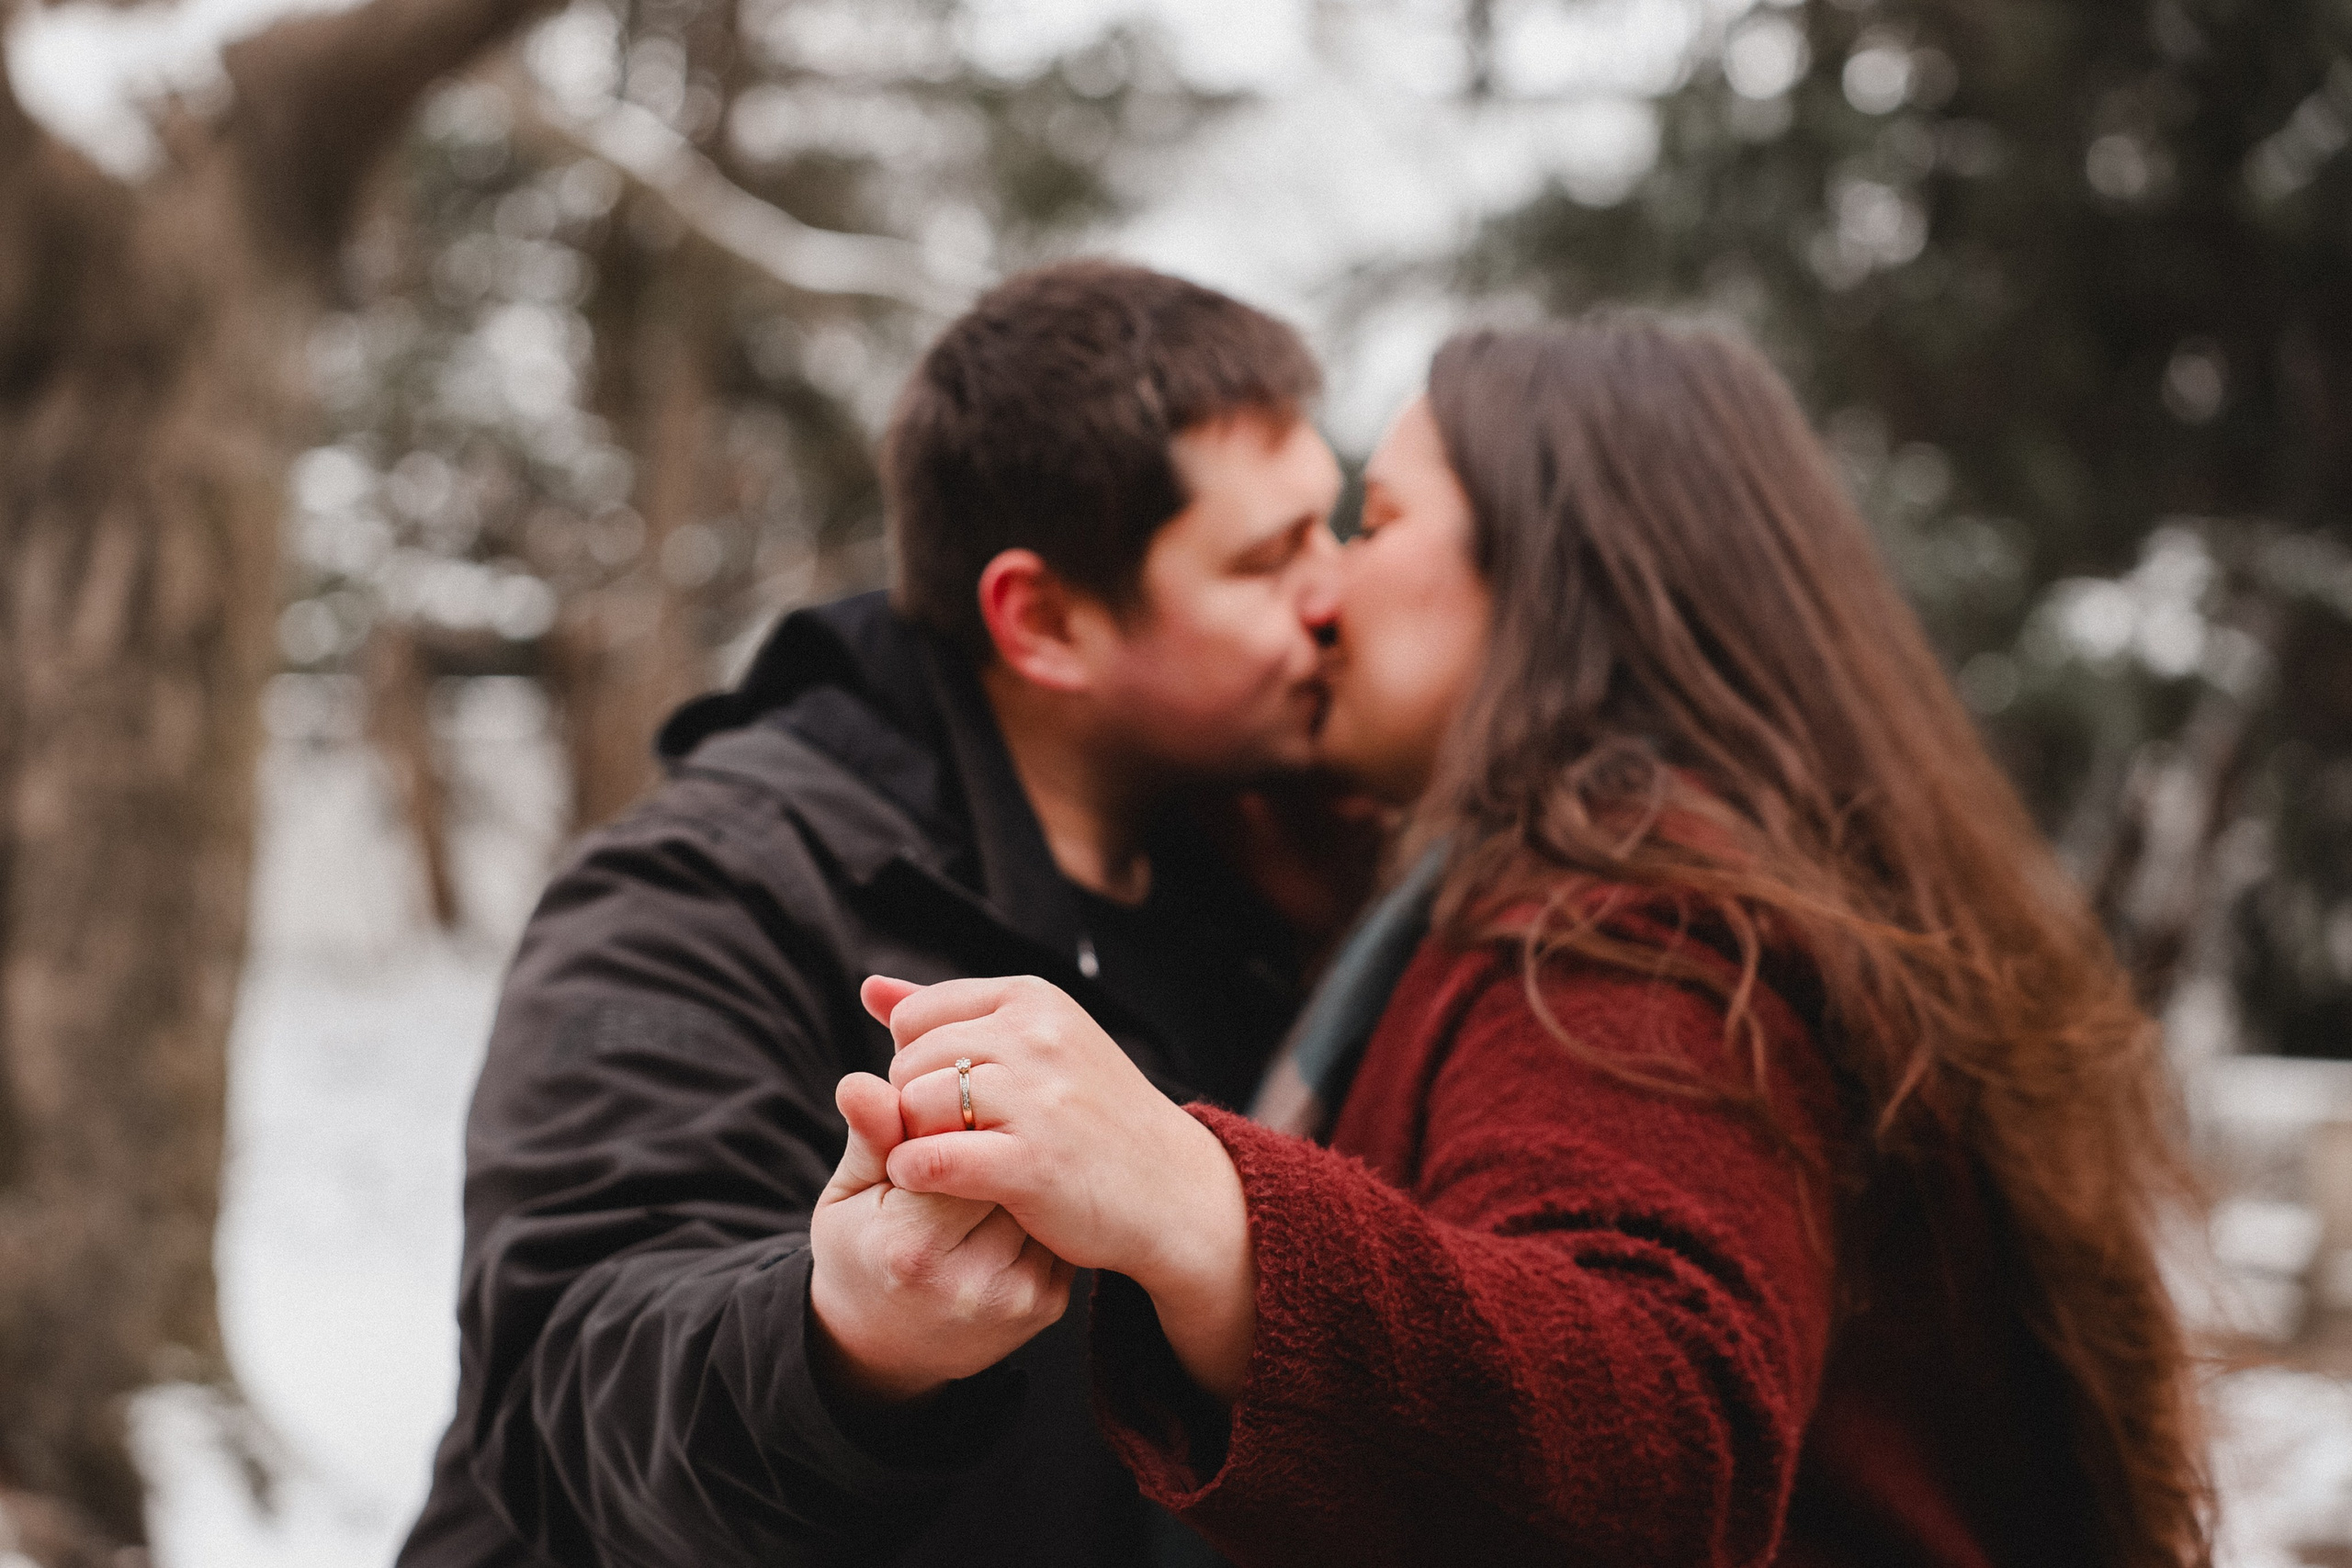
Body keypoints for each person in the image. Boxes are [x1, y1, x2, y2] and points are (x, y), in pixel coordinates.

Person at [864, 314, 2213, 1566]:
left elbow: (1659, 1430)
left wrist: (1202, 1211)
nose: (1323, 599)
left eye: (1375, 523)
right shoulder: (1667, 865)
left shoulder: (1636, 916)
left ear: (1556, 570)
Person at [395, 259, 1365, 1567]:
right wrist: (845, 1344)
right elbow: (563, 1390)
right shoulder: (708, 889)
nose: (1334, 593)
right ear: (1044, 620)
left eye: (1331, 528)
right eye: (1268, 559)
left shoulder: (1257, 881)